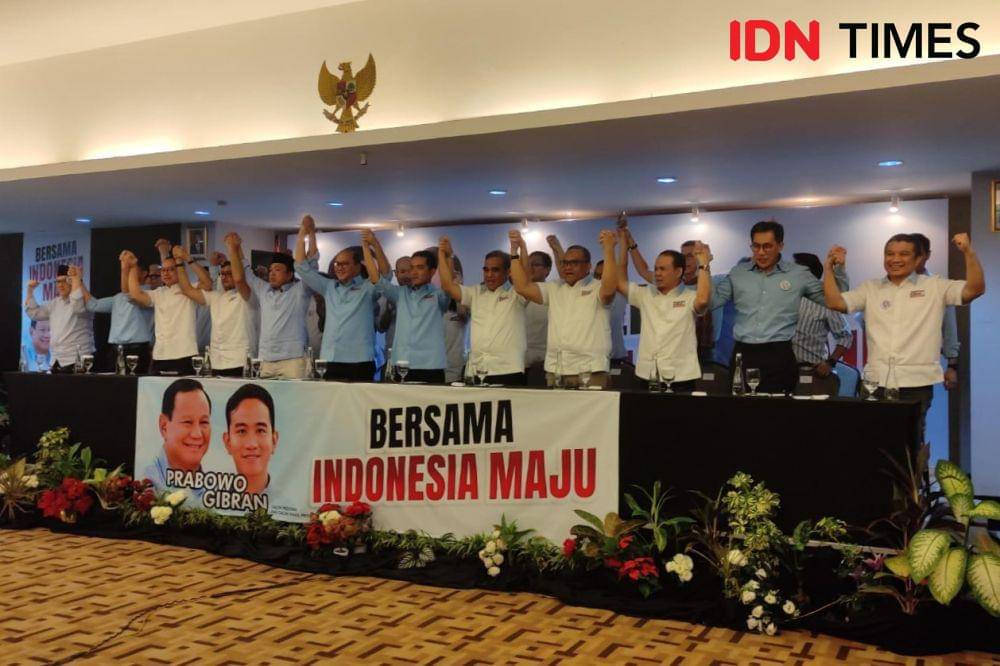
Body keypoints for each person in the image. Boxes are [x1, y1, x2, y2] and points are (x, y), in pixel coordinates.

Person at [823, 233, 985, 443]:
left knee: (910, 444)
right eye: (889, 254)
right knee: (872, 443)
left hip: (916, 383)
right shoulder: (870, 288)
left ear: (918, 259)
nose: (895, 259)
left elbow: (975, 289)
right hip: (875, 382)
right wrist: (829, 269)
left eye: (904, 254)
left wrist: (968, 252)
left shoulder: (935, 286)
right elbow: (835, 303)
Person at [710, 220, 848, 394]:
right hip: (743, 352)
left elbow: (836, 301)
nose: (761, 252)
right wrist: (704, 267)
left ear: (780, 246)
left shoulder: (798, 274)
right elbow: (710, 303)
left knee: (778, 408)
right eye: (756, 246)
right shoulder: (738, 272)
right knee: (740, 407)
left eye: (767, 246)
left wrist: (837, 269)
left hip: (778, 353)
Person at [509, 230, 617, 387]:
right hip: (556, 369)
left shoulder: (597, 287)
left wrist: (609, 249)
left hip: (590, 370)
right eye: (565, 263)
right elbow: (521, 287)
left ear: (588, 266)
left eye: (574, 263)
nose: (568, 267)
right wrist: (514, 252)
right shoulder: (554, 287)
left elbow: (609, 289)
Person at [615, 232, 712, 391]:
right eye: (656, 269)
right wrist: (624, 244)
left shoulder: (689, 296)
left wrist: (703, 264)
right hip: (647, 374)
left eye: (662, 269)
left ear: (678, 272)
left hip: (681, 377)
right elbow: (620, 283)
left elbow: (702, 301)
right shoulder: (645, 294)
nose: (657, 273)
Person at [294, 217, 382, 381]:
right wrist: (306, 233)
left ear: (358, 266)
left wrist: (372, 245)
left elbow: (383, 275)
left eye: (344, 264)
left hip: (360, 360)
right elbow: (301, 267)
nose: (339, 268)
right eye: (337, 264)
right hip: (331, 359)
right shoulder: (329, 287)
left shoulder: (368, 288)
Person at [438, 237, 528, 385]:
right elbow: (447, 285)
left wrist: (519, 249)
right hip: (478, 370)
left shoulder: (517, 293)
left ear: (508, 272)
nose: (489, 274)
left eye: (495, 270)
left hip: (508, 370)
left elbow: (526, 277)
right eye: (486, 270)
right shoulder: (475, 293)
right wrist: (445, 255)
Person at [364, 235, 450, 383]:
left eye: (420, 268)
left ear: (432, 271)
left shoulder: (439, 295)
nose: (414, 272)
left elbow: (448, 282)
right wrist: (369, 245)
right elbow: (375, 278)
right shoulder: (400, 293)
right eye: (412, 268)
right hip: (402, 365)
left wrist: (446, 256)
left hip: (431, 366)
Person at [242, 216, 318, 379]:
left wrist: (310, 233)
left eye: (277, 270)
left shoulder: (300, 291)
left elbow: (311, 268)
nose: (272, 274)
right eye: (270, 270)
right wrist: (236, 248)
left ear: (290, 274)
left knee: (297, 395)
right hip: (266, 359)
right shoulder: (264, 290)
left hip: (293, 360)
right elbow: (247, 273)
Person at [172, 236, 253, 377]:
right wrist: (181, 261)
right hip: (216, 361)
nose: (225, 277)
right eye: (223, 274)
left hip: (240, 360)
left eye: (229, 273)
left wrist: (233, 249)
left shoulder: (246, 297)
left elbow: (240, 279)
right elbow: (187, 290)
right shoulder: (216, 296)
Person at [127, 247, 202, 376]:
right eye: (163, 270)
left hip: (185, 353)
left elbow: (207, 283)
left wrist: (188, 259)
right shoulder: (158, 293)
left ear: (180, 270)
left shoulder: (189, 289)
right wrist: (133, 267)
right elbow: (135, 294)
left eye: (171, 269)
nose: (166, 273)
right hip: (160, 355)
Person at [81, 250, 155, 373]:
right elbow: (93, 305)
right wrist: (79, 282)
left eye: (132, 268)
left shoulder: (149, 294)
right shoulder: (118, 298)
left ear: (144, 273)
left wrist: (125, 268)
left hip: (138, 349)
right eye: (128, 268)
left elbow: (130, 294)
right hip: (116, 350)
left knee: (136, 383)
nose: (129, 271)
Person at [143, 378, 212, 495]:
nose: (197, 434)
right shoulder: (145, 484)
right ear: (164, 426)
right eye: (187, 422)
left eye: (204, 422)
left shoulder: (216, 490)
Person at [791, 253, 852, 379]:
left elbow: (845, 336)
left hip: (812, 373)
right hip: (782, 371)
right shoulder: (784, 298)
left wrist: (830, 362)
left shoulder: (826, 301)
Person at [24, 265, 95, 373]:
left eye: (65, 281)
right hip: (56, 360)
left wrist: (76, 279)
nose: (60, 285)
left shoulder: (85, 300)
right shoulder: (55, 303)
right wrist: (30, 290)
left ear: (73, 281)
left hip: (78, 360)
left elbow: (77, 307)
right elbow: (34, 314)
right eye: (58, 282)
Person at [912, 233, 960, 391]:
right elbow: (864, 320)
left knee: (918, 404)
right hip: (888, 366)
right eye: (908, 254)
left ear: (927, 255)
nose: (913, 259)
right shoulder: (888, 285)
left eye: (918, 254)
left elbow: (949, 327)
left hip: (921, 368)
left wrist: (952, 366)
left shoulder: (938, 286)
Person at [223, 383, 279, 495]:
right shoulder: (213, 501)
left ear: (274, 440)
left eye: (260, 430)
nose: (251, 444)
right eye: (242, 431)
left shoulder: (290, 505)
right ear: (228, 442)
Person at [375, 256, 413, 371]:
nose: (406, 275)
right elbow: (381, 328)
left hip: (418, 359)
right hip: (392, 358)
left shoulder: (423, 296)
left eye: (409, 271)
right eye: (402, 271)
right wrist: (388, 311)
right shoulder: (386, 295)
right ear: (396, 274)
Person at [524, 248, 554, 385]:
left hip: (543, 361)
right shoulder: (515, 291)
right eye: (528, 264)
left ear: (547, 270)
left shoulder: (553, 292)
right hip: (518, 361)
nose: (530, 268)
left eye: (535, 265)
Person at [441, 254, 470, 383]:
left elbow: (463, 313)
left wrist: (458, 287)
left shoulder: (465, 297)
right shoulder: (432, 297)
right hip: (432, 367)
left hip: (455, 370)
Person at [593, 258, 628, 365]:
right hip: (592, 358)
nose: (599, 279)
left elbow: (623, 265)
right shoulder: (589, 294)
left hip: (616, 356)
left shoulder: (621, 293)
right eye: (596, 276)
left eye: (603, 276)